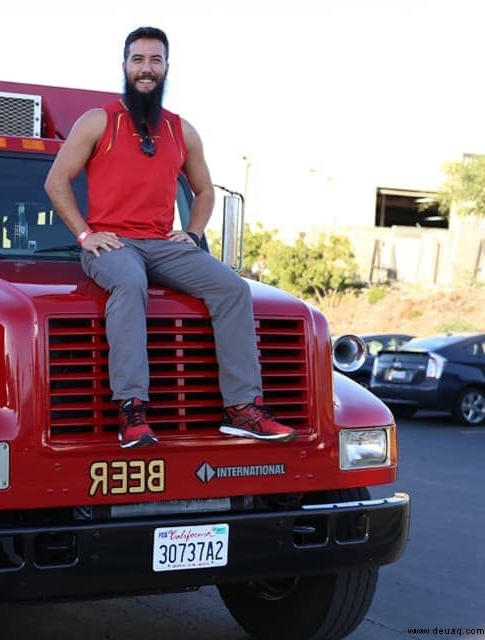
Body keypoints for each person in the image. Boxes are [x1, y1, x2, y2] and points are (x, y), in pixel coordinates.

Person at [44, 26, 297, 449]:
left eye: (155, 60)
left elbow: (204, 191)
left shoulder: (183, 131)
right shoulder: (99, 121)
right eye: (138, 60)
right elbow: (56, 181)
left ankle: (242, 409)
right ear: (125, 66)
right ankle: (132, 410)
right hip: (113, 244)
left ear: (166, 68)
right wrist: (86, 234)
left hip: (164, 244)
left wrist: (193, 233)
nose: (147, 69)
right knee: (128, 281)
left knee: (233, 287)